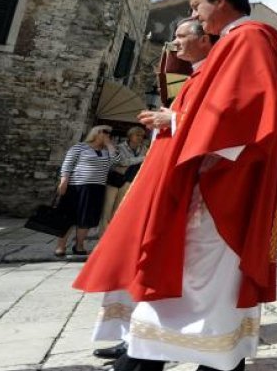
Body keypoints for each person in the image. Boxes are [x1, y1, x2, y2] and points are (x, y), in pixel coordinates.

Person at [74, 0, 277, 371]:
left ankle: (168, 357)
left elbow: (245, 112)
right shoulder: (234, 43)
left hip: (221, 183)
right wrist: (177, 119)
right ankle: (181, 356)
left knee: (200, 274)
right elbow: (223, 110)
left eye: (195, 7)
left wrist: (177, 120)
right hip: (209, 176)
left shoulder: (250, 37)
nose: (194, 15)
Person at [90, 18, 217, 362]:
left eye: (181, 36)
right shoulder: (194, 79)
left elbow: (220, 128)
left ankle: (143, 345)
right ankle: (132, 337)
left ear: (205, 39)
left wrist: (172, 120)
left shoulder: (215, 77)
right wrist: (170, 119)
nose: (174, 43)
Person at [55, 125, 117, 257]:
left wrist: (109, 144)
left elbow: (116, 161)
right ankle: (61, 246)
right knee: (68, 217)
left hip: (96, 188)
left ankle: (79, 245)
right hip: (77, 186)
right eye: (105, 132)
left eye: (110, 133)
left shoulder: (107, 150)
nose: (108, 135)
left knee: (86, 218)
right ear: (96, 133)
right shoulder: (79, 147)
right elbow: (68, 164)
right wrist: (64, 181)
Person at [100, 126, 148, 234]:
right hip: (114, 180)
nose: (140, 138)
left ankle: (112, 233)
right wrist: (142, 158)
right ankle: (102, 236)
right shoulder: (119, 147)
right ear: (130, 136)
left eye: (141, 136)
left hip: (128, 181)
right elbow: (122, 162)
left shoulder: (144, 149)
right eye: (137, 135)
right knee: (107, 208)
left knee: (118, 209)